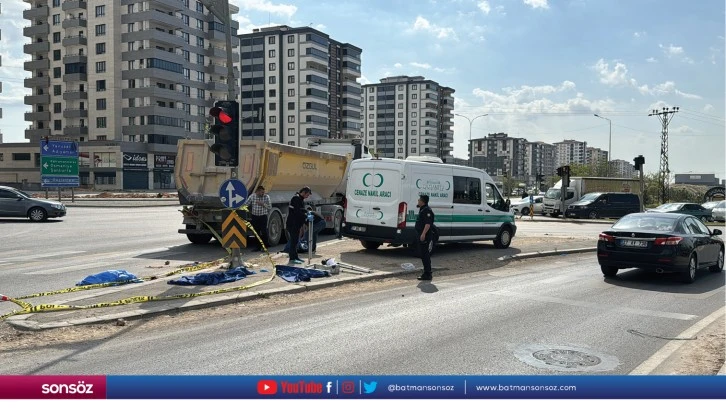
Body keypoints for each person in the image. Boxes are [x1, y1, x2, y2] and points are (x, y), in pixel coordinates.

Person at [286, 186, 312, 264]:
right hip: (292, 223)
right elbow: (297, 212)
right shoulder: (296, 198)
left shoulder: (300, 199)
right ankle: (292, 258)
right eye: (307, 194)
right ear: (304, 192)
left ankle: (296, 256)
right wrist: (306, 216)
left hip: (296, 224)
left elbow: (301, 210)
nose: (307, 196)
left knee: (296, 241)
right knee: (293, 241)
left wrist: (307, 212)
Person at [244, 185, 272, 252]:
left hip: (263, 216)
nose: (263, 194)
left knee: (264, 231)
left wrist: (263, 204)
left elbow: (270, 207)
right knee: (256, 232)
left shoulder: (266, 197)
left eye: (263, 192)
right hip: (255, 216)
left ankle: (265, 246)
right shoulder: (252, 196)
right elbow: (246, 204)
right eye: (261, 192)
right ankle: (257, 247)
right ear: (257, 191)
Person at [415, 194, 435, 281]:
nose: (418, 201)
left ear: (422, 201)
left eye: (419, 200)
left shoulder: (427, 210)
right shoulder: (423, 209)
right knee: (423, 254)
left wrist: (423, 234)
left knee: (425, 254)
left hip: (425, 236)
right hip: (422, 234)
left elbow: (427, 224)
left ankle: (427, 273)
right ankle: (427, 272)